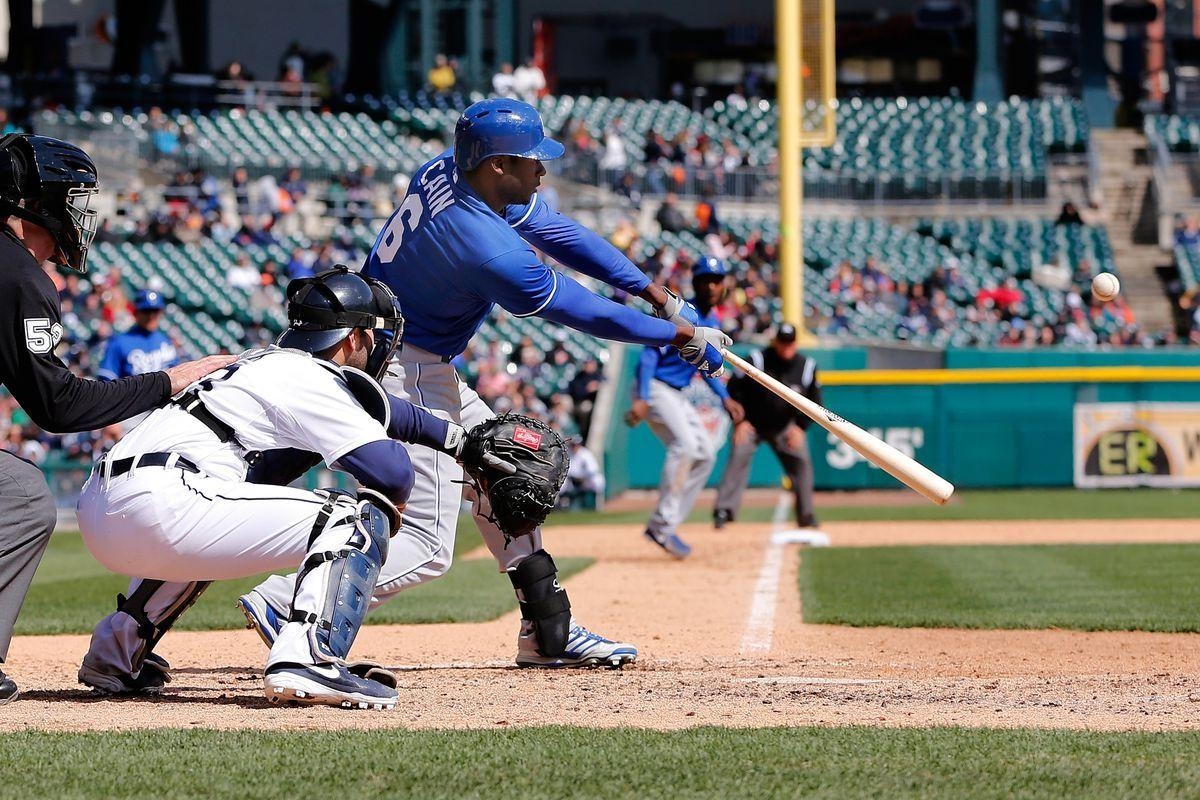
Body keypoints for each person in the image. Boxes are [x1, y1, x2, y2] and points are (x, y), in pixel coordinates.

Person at [238, 98, 730, 669]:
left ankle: (549, 630)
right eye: (530, 161)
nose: (542, 170)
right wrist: (675, 335)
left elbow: (559, 232)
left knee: (511, 473)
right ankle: (289, 602)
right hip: (403, 367)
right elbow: (580, 310)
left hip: (405, 355)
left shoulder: (448, 171)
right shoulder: (485, 247)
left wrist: (653, 292)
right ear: (497, 165)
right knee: (425, 544)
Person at [75, 267, 468, 709]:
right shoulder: (311, 375)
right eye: (373, 337)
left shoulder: (262, 363)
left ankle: (115, 652)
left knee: (210, 510)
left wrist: (463, 443)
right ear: (354, 338)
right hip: (163, 499)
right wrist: (385, 513)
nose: (377, 347)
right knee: (350, 516)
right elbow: (392, 472)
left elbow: (380, 414)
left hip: (103, 506)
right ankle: (308, 657)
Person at [0, 133, 232, 705]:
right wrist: (169, 380)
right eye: (71, 198)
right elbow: (59, 406)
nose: (80, 213)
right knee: (26, 492)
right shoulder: (20, 276)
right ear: (36, 201)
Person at [625, 257, 744, 558]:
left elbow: (707, 368)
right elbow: (649, 355)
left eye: (717, 280)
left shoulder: (713, 321)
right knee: (686, 446)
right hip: (654, 386)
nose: (712, 285)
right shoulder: (680, 313)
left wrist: (725, 398)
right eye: (705, 279)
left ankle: (665, 525)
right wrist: (641, 397)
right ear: (695, 282)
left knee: (704, 453)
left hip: (674, 393)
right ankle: (662, 524)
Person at [714, 323, 822, 529]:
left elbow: (815, 402)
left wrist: (800, 427)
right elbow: (733, 390)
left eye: (790, 343)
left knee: (802, 463)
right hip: (751, 425)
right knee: (738, 457)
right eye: (782, 342)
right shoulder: (757, 359)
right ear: (775, 342)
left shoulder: (806, 366)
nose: (786, 347)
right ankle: (723, 511)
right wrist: (739, 421)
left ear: (796, 343)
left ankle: (806, 515)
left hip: (785, 427)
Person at [98, 290, 180, 381]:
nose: (151, 316)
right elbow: (106, 382)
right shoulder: (118, 343)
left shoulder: (165, 339)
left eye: (155, 311)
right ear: (136, 312)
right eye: (147, 311)